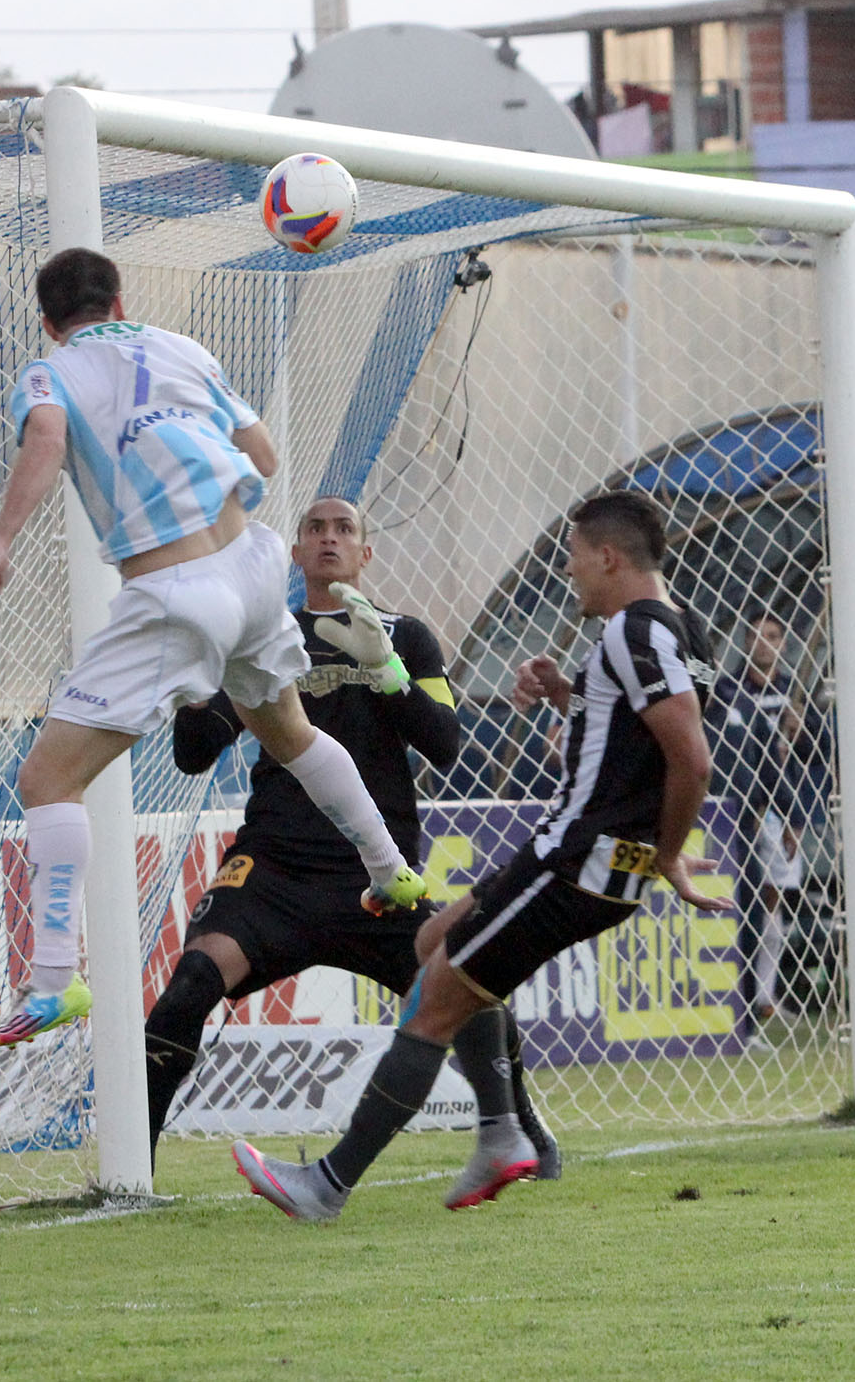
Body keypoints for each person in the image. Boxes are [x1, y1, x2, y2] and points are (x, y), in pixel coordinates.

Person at [0, 247, 422, 1051]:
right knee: (292, 734)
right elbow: (265, 455)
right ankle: (390, 870)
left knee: (47, 779)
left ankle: (54, 980)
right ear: (119, 302)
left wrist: (2, 538)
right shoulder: (182, 347)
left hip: (178, 591)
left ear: (49, 322)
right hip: (254, 564)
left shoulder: (50, 372)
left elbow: (45, 434)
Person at [233, 491, 728, 1220]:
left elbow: (692, 760)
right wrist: (570, 696)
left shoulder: (633, 630)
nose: (568, 571)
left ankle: (327, 1185)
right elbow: (641, 743)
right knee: (433, 941)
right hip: (584, 858)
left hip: (576, 858)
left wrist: (670, 854)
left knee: (434, 1001)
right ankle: (502, 1132)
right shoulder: (687, 629)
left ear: (607, 557)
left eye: (573, 556)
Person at [147, 496, 557, 1179]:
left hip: (378, 877)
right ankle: (133, 1173)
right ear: (297, 552)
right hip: (275, 870)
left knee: (464, 979)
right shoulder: (262, 637)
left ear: (365, 553)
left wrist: (385, 670)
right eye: (316, 528)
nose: (329, 538)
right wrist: (192, 689)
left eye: (344, 529)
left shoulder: (407, 637)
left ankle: (520, 1127)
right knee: (191, 981)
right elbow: (195, 753)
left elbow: (446, 743)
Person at [712, 612, 808, 1021]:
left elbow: (815, 750)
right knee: (740, 900)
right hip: (735, 811)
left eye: (772, 635)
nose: (764, 643)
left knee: (770, 900)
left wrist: (801, 733)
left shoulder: (793, 690)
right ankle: (743, 999)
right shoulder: (727, 692)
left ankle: (762, 997)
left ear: (783, 643)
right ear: (744, 642)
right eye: (756, 636)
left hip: (773, 807)